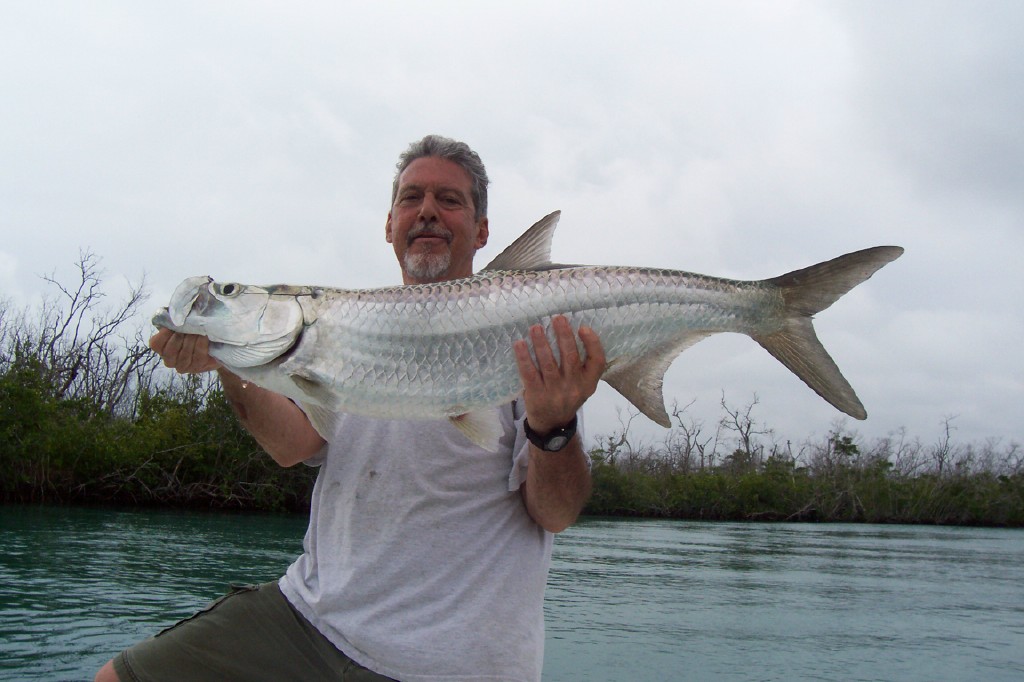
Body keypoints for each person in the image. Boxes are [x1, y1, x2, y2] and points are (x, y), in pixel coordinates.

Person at [95, 135, 605, 682]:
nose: (427, 210)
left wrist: (554, 427)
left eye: (449, 200)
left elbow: (556, 513)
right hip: (311, 624)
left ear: (481, 230)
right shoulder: (343, 334)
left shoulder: (529, 342)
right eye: (411, 198)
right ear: (389, 225)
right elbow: (293, 446)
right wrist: (228, 363)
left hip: (456, 664)